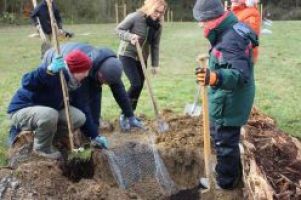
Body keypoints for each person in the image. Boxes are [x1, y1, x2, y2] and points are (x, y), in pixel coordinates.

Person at [193, 0, 258, 190]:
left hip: (230, 102)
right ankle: (229, 166)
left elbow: (239, 75)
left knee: (224, 142)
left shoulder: (231, 38)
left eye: (202, 20)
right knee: (221, 135)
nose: (200, 24)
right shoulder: (227, 30)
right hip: (227, 99)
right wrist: (214, 59)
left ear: (213, 18)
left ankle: (226, 183)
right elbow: (226, 58)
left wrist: (214, 77)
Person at [43, 42, 144, 141]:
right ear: (99, 74)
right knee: (72, 105)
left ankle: (92, 132)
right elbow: (83, 104)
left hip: (82, 64)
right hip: (54, 61)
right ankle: (60, 136)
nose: (105, 84)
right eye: (104, 82)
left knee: (95, 97)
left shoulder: (110, 67)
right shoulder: (82, 73)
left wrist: (130, 115)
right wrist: (94, 136)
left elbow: (119, 91)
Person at [7, 50, 92, 159]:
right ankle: (41, 150)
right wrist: (48, 71)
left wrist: (94, 135)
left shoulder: (74, 83)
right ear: (75, 70)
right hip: (23, 109)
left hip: (47, 110)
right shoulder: (55, 74)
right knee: (50, 115)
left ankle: (52, 141)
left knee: (78, 118)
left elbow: (83, 106)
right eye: (84, 71)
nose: (87, 74)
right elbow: (26, 82)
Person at [115, 0, 167, 117]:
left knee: (140, 85)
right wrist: (130, 36)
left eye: (161, 12)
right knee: (136, 84)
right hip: (127, 54)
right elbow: (118, 30)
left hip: (142, 58)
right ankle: (125, 114)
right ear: (149, 7)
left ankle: (131, 114)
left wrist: (155, 64)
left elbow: (155, 45)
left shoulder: (157, 26)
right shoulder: (135, 17)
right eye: (156, 11)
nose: (158, 14)